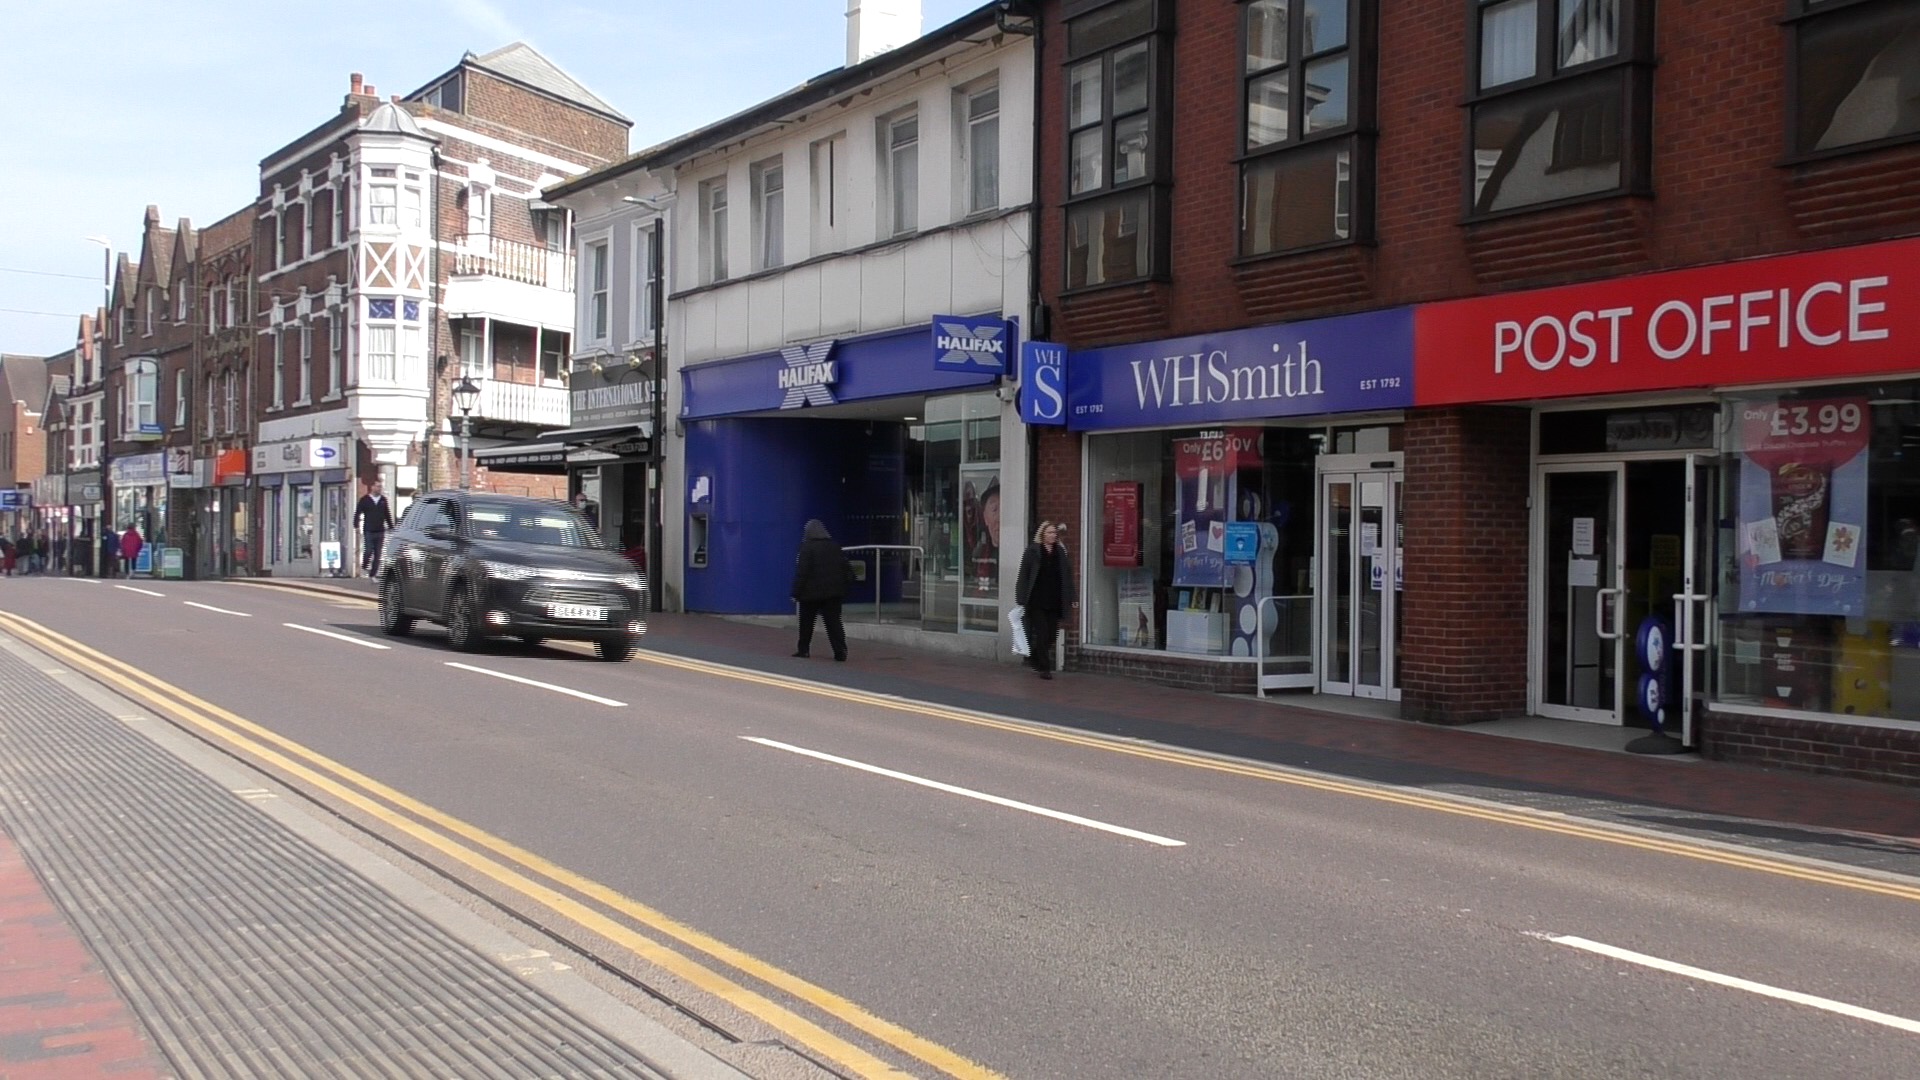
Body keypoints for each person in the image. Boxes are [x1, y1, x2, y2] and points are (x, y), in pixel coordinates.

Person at [1015, 520, 1075, 680]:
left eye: (1054, 533)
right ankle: (1045, 668)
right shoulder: (1032, 551)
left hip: (1054, 599)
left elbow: (1067, 576)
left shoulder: (1060, 553)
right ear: (1042, 534)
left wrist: (1072, 596)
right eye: (1049, 533)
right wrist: (1020, 597)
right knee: (1041, 633)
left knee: (1051, 635)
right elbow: (1024, 575)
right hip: (1037, 599)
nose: (1053, 536)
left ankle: (1034, 656)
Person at [790, 518, 849, 661]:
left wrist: (795, 593)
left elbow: (802, 573)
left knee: (807, 623)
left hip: (810, 594)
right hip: (833, 594)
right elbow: (846, 569)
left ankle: (804, 650)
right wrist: (844, 588)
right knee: (834, 622)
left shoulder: (806, 548)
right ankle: (840, 651)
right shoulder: (834, 547)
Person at [354, 481, 394, 577]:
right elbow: (358, 512)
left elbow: (387, 514)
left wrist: (391, 526)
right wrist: (356, 525)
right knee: (368, 550)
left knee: (378, 554)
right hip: (369, 530)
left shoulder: (383, 500)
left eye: (380, 487)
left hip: (380, 530)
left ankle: (373, 574)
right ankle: (364, 565)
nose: (379, 488)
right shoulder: (365, 500)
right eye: (377, 486)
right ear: (372, 487)